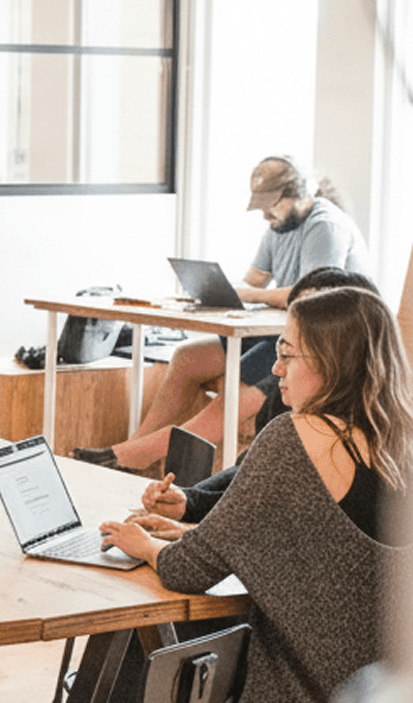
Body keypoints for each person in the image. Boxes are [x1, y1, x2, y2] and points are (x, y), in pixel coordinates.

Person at [100, 288, 413, 703]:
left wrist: (143, 545)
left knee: (172, 684)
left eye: (288, 354)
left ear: (332, 362)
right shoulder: (399, 440)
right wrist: (185, 530)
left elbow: (188, 570)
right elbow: (320, 548)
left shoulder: (295, 439)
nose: (275, 369)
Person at [74, 156, 370, 472]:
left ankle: (133, 456)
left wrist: (248, 295)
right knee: (188, 357)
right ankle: (133, 449)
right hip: (281, 334)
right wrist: (215, 290)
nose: (266, 214)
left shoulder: (325, 226)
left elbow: (310, 296)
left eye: (272, 205)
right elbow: (254, 281)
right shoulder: (279, 226)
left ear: (299, 194)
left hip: (324, 345)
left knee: (234, 392)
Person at [133, 268, 382, 540]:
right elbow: (251, 478)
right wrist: (190, 502)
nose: (277, 368)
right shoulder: (286, 399)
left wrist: (185, 538)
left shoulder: (356, 439)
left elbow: (282, 537)